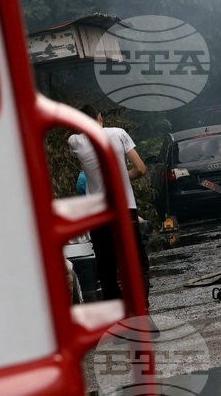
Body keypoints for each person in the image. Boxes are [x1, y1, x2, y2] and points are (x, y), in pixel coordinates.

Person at [67, 104, 150, 304]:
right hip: (124, 208)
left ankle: (117, 309)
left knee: (106, 265)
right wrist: (122, 177)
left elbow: (69, 134)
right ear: (100, 118)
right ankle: (141, 303)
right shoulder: (119, 134)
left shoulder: (75, 142)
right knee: (137, 261)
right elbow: (140, 169)